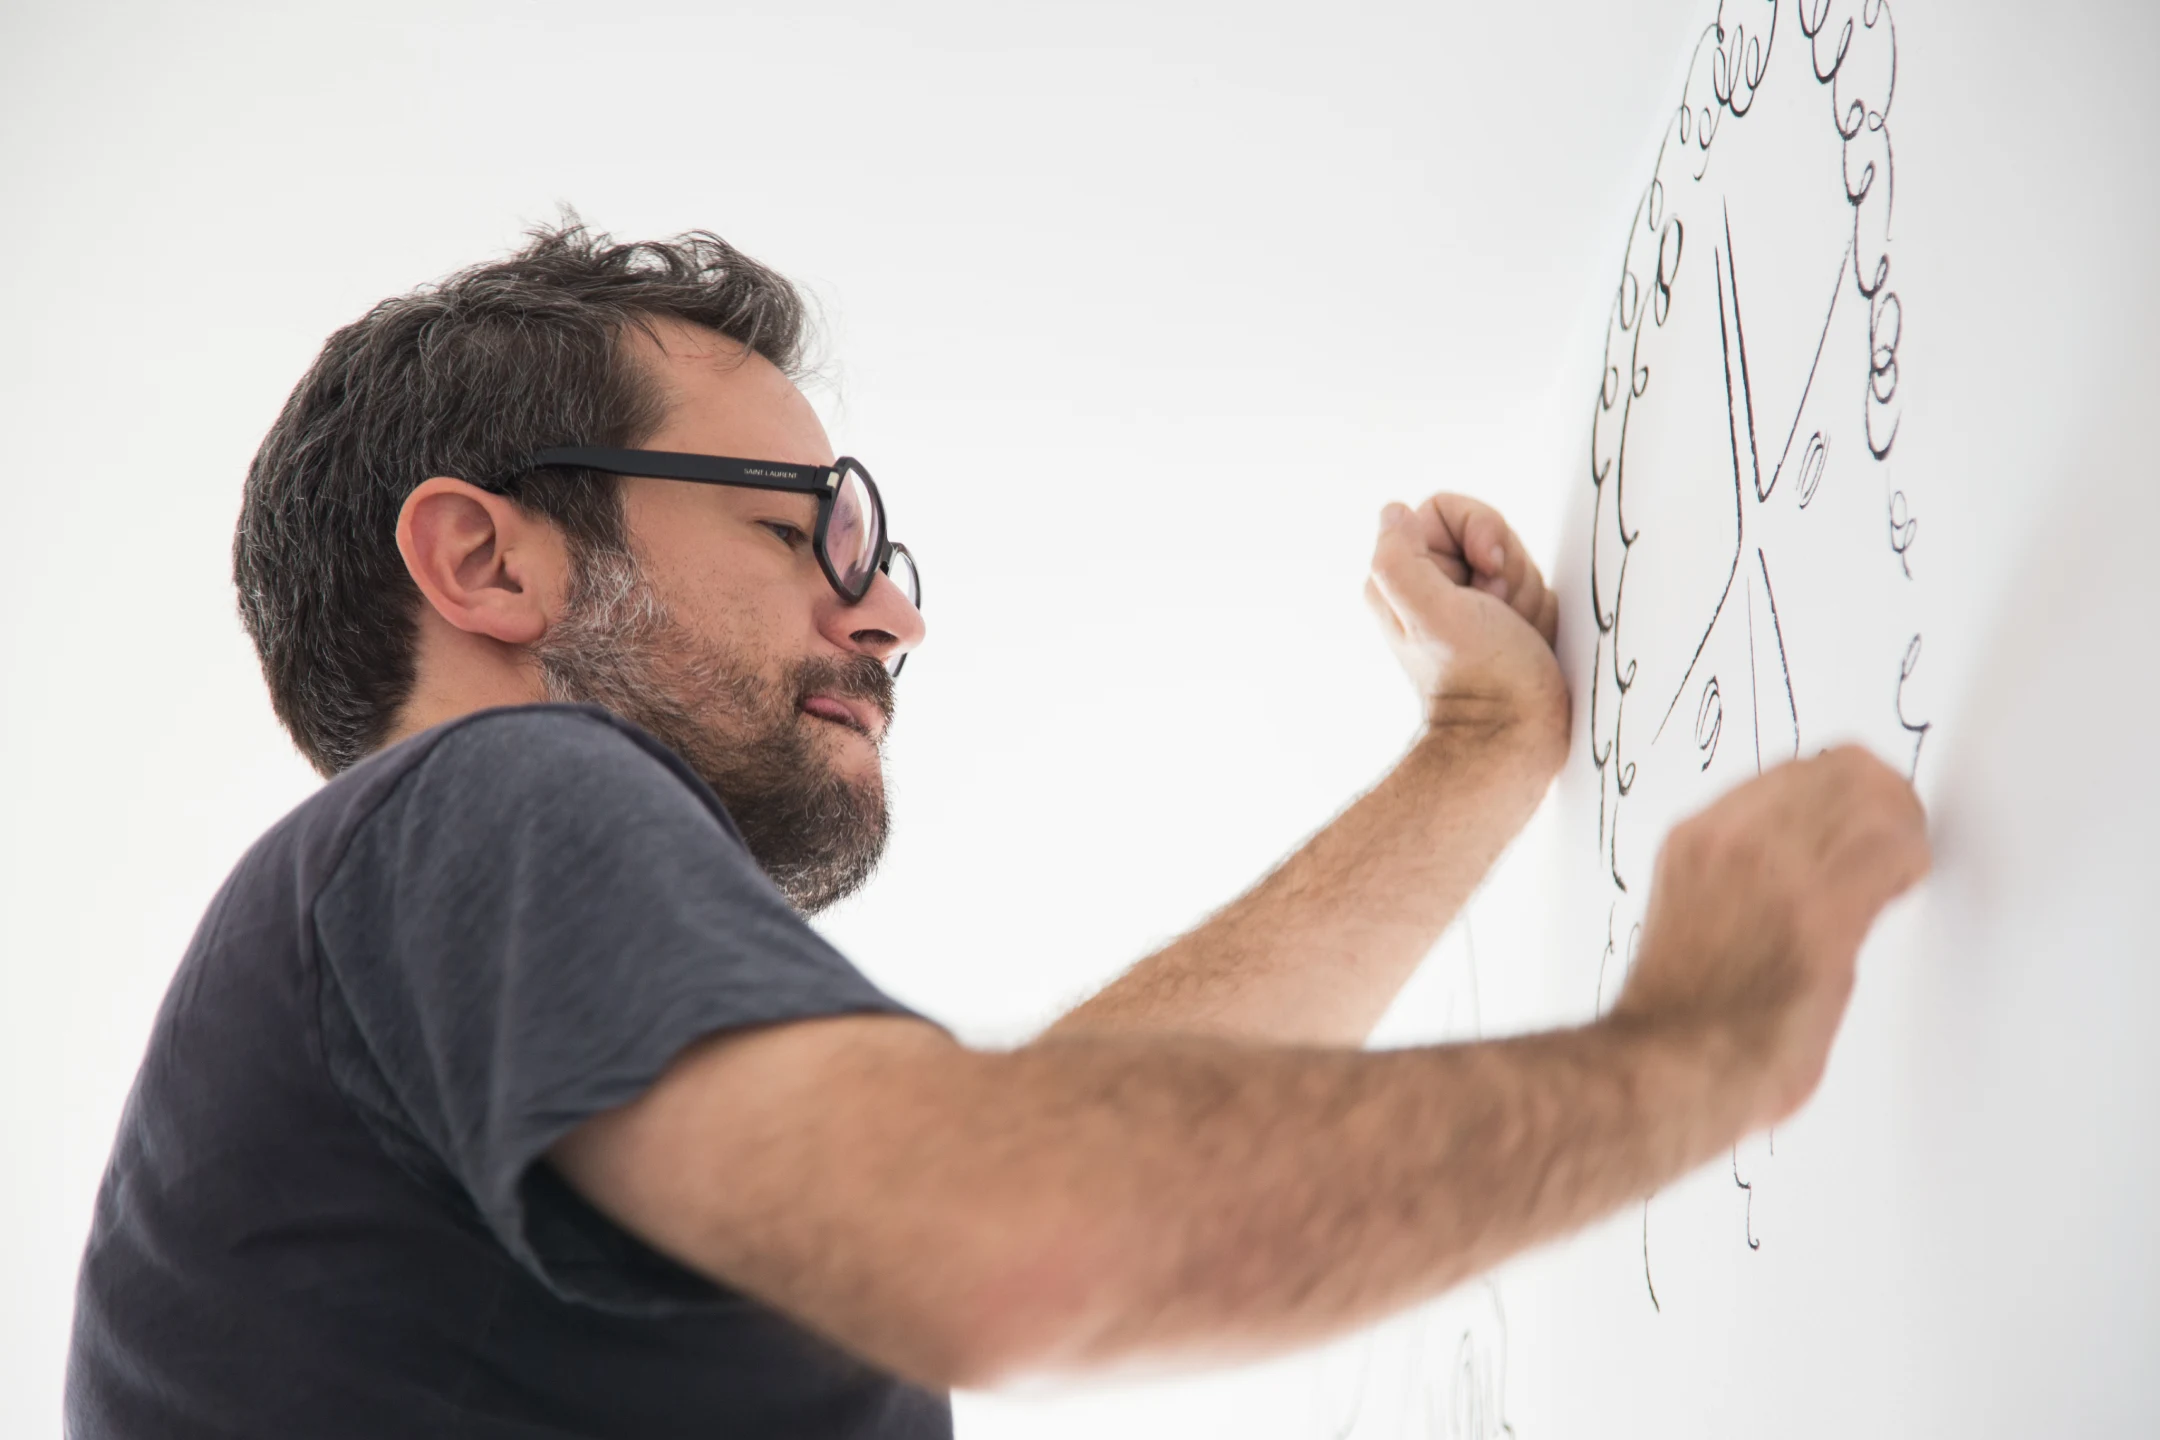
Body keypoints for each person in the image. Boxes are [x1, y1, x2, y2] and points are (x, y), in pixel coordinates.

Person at [65, 222, 1931, 1439]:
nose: (889, 611)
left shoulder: (412, 958)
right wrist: (1710, 1041)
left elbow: (1049, 1146)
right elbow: (1020, 1231)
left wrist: (1483, 748)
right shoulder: (484, 796)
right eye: (809, 525)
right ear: (488, 562)